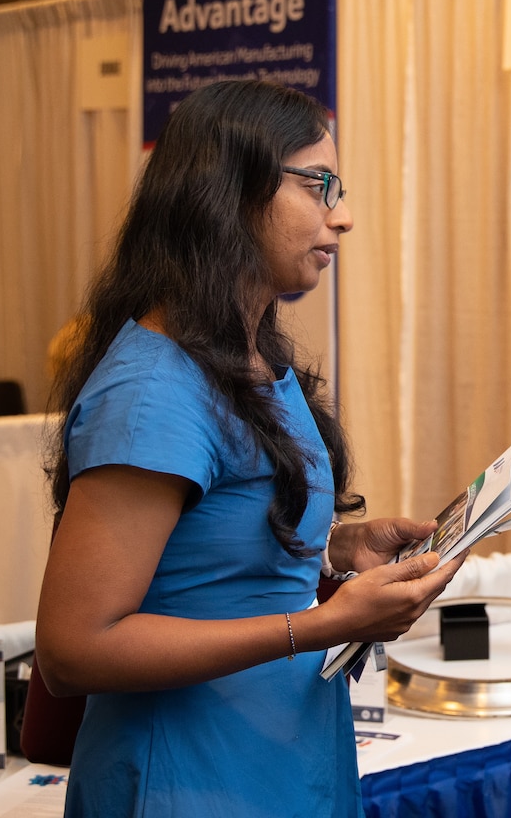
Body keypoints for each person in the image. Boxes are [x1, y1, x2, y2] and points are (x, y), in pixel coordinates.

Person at [33, 80, 466, 818]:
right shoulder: (152, 390)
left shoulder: (249, 355)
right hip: (191, 779)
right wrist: (324, 625)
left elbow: (205, 556)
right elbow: (73, 650)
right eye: (319, 184)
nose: (345, 215)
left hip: (280, 758)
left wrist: (334, 551)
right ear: (229, 192)